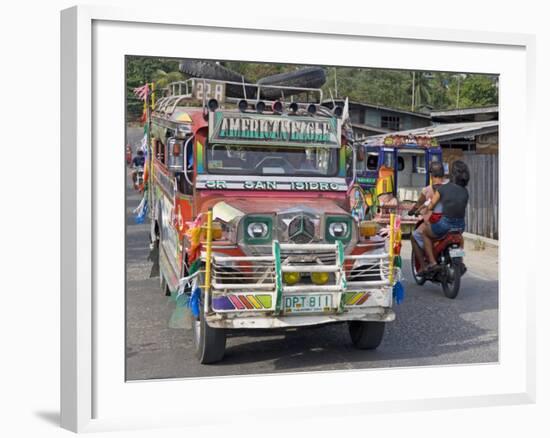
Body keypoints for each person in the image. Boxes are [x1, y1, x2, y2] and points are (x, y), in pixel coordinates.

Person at [421, 160, 470, 272]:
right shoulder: (465, 191)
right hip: (461, 226)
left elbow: (431, 204)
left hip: (445, 225)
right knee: (460, 238)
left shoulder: (443, 189)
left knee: (425, 233)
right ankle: (460, 261)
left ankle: (433, 263)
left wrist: (426, 209)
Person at [409, 161, 448, 273]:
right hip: (449, 222)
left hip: (433, 223)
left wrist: (412, 211)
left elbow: (418, 204)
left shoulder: (427, 190)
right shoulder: (449, 188)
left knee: (414, 236)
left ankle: (424, 265)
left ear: (431, 175)